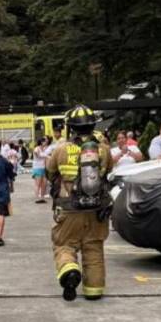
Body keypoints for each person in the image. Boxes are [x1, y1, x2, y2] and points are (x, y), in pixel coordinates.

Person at [45, 105, 113, 302]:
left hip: (69, 207)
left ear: (71, 127)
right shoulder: (104, 150)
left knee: (64, 244)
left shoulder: (61, 149)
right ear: (93, 125)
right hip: (97, 209)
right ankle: (94, 290)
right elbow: (109, 171)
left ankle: (69, 269)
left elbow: (50, 173)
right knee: (94, 248)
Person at [32, 136, 51, 202]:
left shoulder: (44, 149)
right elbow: (38, 155)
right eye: (44, 141)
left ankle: (42, 197)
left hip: (43, 168)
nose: (46, 142)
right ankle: (37, 198)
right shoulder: (36, 149)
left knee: (44, 184)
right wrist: (47, 156)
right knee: (38, 184)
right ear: (41, 142)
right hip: (37, 168)